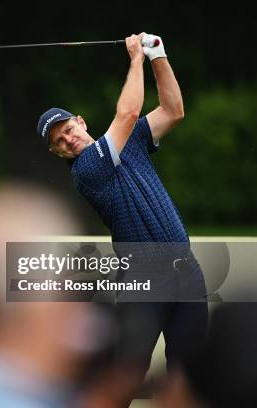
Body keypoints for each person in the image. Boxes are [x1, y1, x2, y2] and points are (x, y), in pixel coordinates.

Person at [36, 33, 208, 403]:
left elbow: (173, 110)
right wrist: (135, 59)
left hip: (186, 271)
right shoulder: (86, 169)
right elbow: (128, 112)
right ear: (56, 153)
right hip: (144, 278)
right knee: (125, 374)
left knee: (189, 374)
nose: (68, 140)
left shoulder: (129, 141)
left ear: (80, 122)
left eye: (67, 129)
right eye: (59, 142)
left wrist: (158, 54)